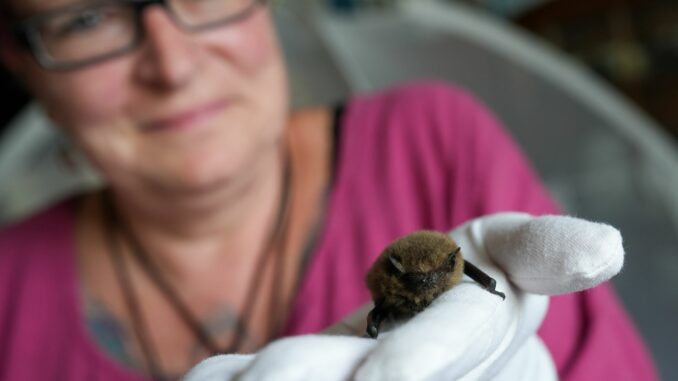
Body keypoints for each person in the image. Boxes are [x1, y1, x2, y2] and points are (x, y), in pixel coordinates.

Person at [0, 0, 658, 380]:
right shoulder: (10, 296)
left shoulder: (431, 144)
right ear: (22, 61)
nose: (172, 64)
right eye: (86, 17)